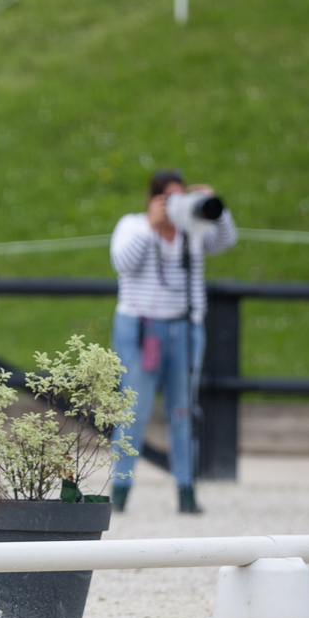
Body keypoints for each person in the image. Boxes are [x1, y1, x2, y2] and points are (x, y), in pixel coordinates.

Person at [108, 168, 237, 514]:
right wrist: (153, 226)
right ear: (153, 199)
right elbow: (122, 262)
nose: (175, 206)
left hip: (184, 329)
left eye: (181, 198)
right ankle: (119, 491)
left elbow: (226, 241)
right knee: (133, 411)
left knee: (182, 410)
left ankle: (186, 490)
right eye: (168, 199)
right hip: (138, 328)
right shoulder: (132, 226)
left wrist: (213, 208)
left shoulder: (191, 229)